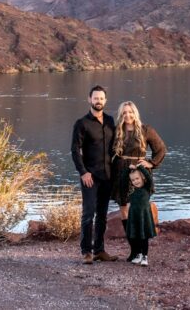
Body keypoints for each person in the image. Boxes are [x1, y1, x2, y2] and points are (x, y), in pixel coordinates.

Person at [111, 100, 166, 261]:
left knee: (136, 210)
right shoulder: (117, 131)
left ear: (135, 113)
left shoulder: (145, 130)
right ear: (121, 115)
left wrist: (151, 163)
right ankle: (134, 251)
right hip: (121, 173)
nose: (127, 115)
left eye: (130, 112)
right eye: (124, 113)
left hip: (138, 174)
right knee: (124, 210)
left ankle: (143, 251)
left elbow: (161, 149)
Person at [71, 85, 118, 264]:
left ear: (105, 100)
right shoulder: (82, 123)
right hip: (90, 177)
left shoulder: (110, 121)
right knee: (88, 214)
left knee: (102, 215)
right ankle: (86, 252)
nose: (98, 101)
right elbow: (75, 150)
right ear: (89, 99)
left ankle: (99, 250)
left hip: (107, 176)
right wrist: (83, 172)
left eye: (101, 98)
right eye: (95, 98)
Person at [124, 166, 156, 266]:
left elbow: (149, 178)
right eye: (133, 180)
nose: (135, 181)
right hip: (134, 217)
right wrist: (128, 170)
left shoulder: (148, 188)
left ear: (142, 177)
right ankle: (139, 255)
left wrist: (140, 167)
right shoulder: (131, 190)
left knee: (144, 237)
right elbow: (123, 180)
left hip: (144, 216)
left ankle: (145, 256)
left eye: (137, 178)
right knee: (135, 237)